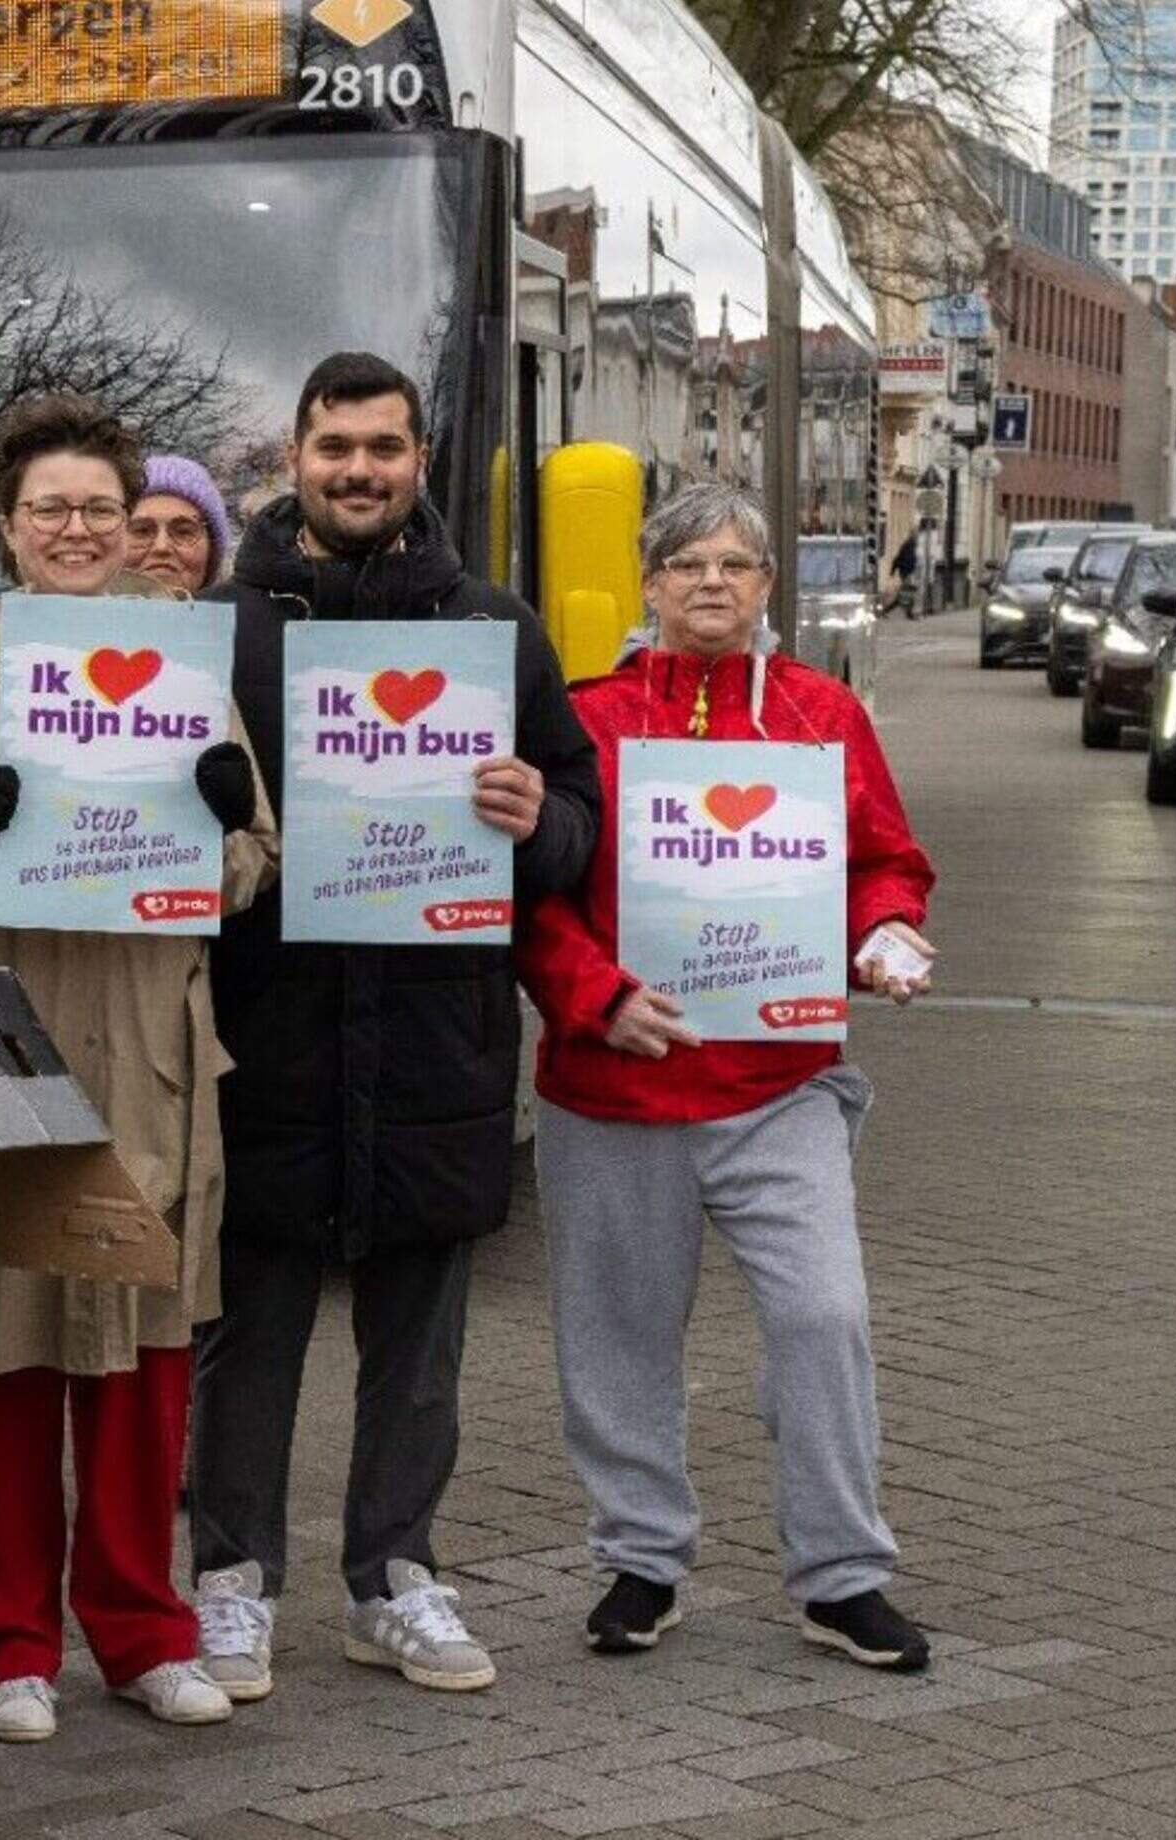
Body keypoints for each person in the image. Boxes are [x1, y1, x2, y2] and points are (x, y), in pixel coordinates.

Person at [185, 351, 601, 1699]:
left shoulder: (497, 631)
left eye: (384, 447)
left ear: (421, 461)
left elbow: (581, 826)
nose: (358, 469)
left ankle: (394, 1580)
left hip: (435, 1043)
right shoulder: (226, 631)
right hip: (271, 1035)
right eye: (333, 448)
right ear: (293, 461)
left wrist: (539, 824)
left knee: (420, 1349)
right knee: (250, 1340)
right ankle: (231, 1579)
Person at [516, 481, 941, 1672]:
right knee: (617, 1340)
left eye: (738, 565)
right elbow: (533, 895)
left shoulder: (821, 716)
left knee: (824, 1317)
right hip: (614, 1087)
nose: (714, 583)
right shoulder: (586, 720)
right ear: (649, 585)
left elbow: (884, 860)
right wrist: (594, 996)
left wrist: (885, 933)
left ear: (767, 588)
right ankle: (642, 1559)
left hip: (778, 1086)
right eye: (689, 564)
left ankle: (841, 1576)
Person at [0, 394, 277, 1741]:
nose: (79, 531)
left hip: (154, 1051)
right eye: (51, 510)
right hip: (13, 1037)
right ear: (9, 529)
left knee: (141, 1364)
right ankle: (2, 1645)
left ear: (136, 528)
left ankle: (139, 1632)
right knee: (2, 1355)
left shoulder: (183, 663)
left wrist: (230, 824)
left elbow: (246, 868)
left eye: (102, 512)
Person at [118, 453, 233, 598]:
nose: (162, 547)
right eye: (142, 531)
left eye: (184, 532)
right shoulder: (82, 618)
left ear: (212, 552)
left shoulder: (243, 619)